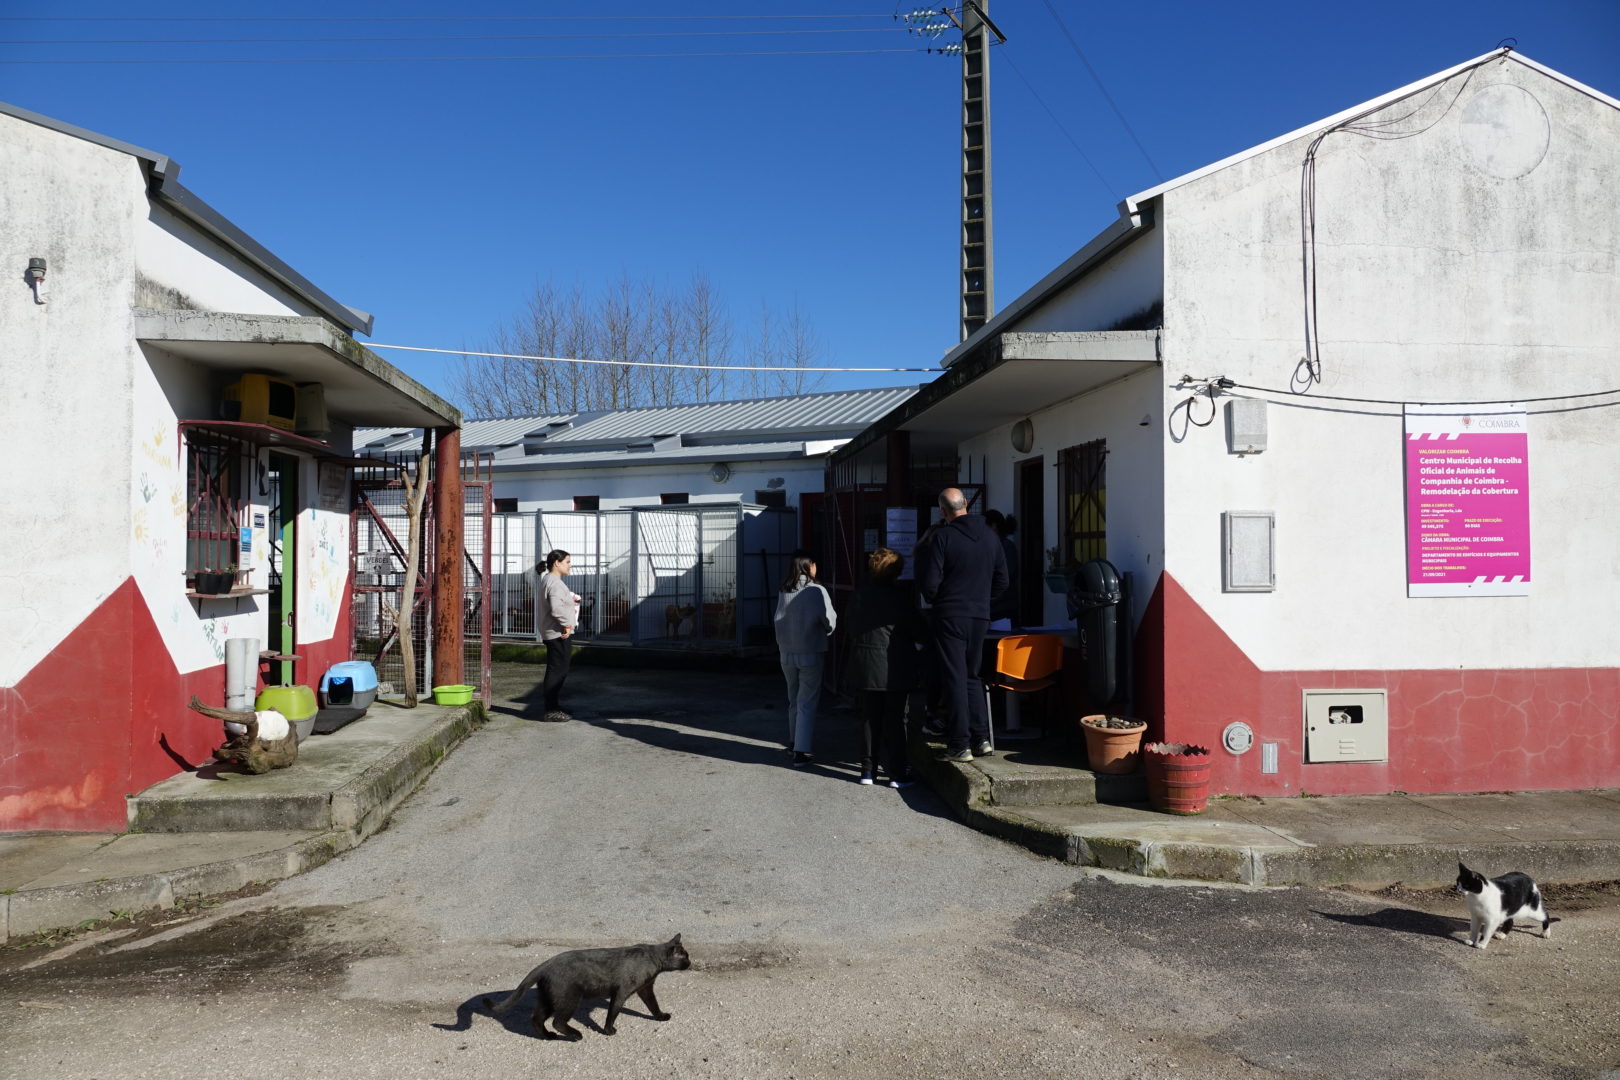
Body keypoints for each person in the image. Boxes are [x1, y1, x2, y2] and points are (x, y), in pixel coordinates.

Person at [916, 488, 1008, 762]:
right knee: (972, 676)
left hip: (950, 615)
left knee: (954, 677)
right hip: (980, 615)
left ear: (943, 512)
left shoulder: (943, 537)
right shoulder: (991, 538)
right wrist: (980, 600)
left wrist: (947, 600)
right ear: (966, 504)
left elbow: (930, 585)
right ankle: (981, 739)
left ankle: (959, 743)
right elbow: (1003, 581)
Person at [845, 547, 924, 788]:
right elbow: (918, 631)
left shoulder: (859, 595)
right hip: (896, 665)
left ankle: (867, 771)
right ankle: (897, 773)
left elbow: (849, 625)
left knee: (869, 717)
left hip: (867, 664)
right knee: (896, 719)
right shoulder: (901, 597)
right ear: (897, 571)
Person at [774, 550, 836, 768]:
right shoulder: (817, 590)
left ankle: (793, 742)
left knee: (793, 699)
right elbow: (829, 621)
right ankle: (801, 750)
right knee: (806, 702)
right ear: (809, 567)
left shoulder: (785, 590)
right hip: (810, 651)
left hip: (786, 653)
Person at [537, 549, 581, 722]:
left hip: (554, 631)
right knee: (557, 671)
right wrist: (567, 624)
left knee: (558, 669)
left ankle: (554, 706)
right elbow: (556, 608)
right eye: (568, 562)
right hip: (558, 632)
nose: (570, 565)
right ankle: (551, 710)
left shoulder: (549, 580)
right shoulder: (554, 582)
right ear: (557, 563)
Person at [983, 510, 1021, 630]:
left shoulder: (1006, 547)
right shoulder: (993, 546)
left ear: (993, 526)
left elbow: (1004, 580)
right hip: (992, 608)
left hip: (1003, 609)